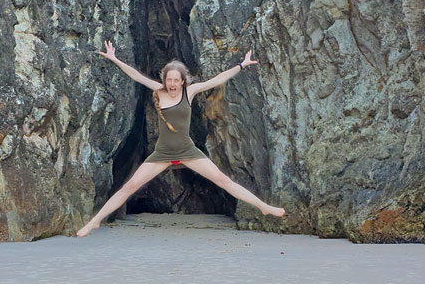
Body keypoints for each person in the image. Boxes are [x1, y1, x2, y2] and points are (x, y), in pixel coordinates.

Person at [76, 40, 286, 237]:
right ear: (164, 79)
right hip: (162, 153)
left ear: (182, 80)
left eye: (177, 80)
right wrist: (114, 58)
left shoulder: (190, 92)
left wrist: (242, 65)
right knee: (128, 188)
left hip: (188, 151)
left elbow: (217, 80)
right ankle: (95, 220)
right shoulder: (158, 91)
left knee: (223, 180)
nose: (173, 84)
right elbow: (136, 76)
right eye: (170, 80)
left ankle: (263, 207)